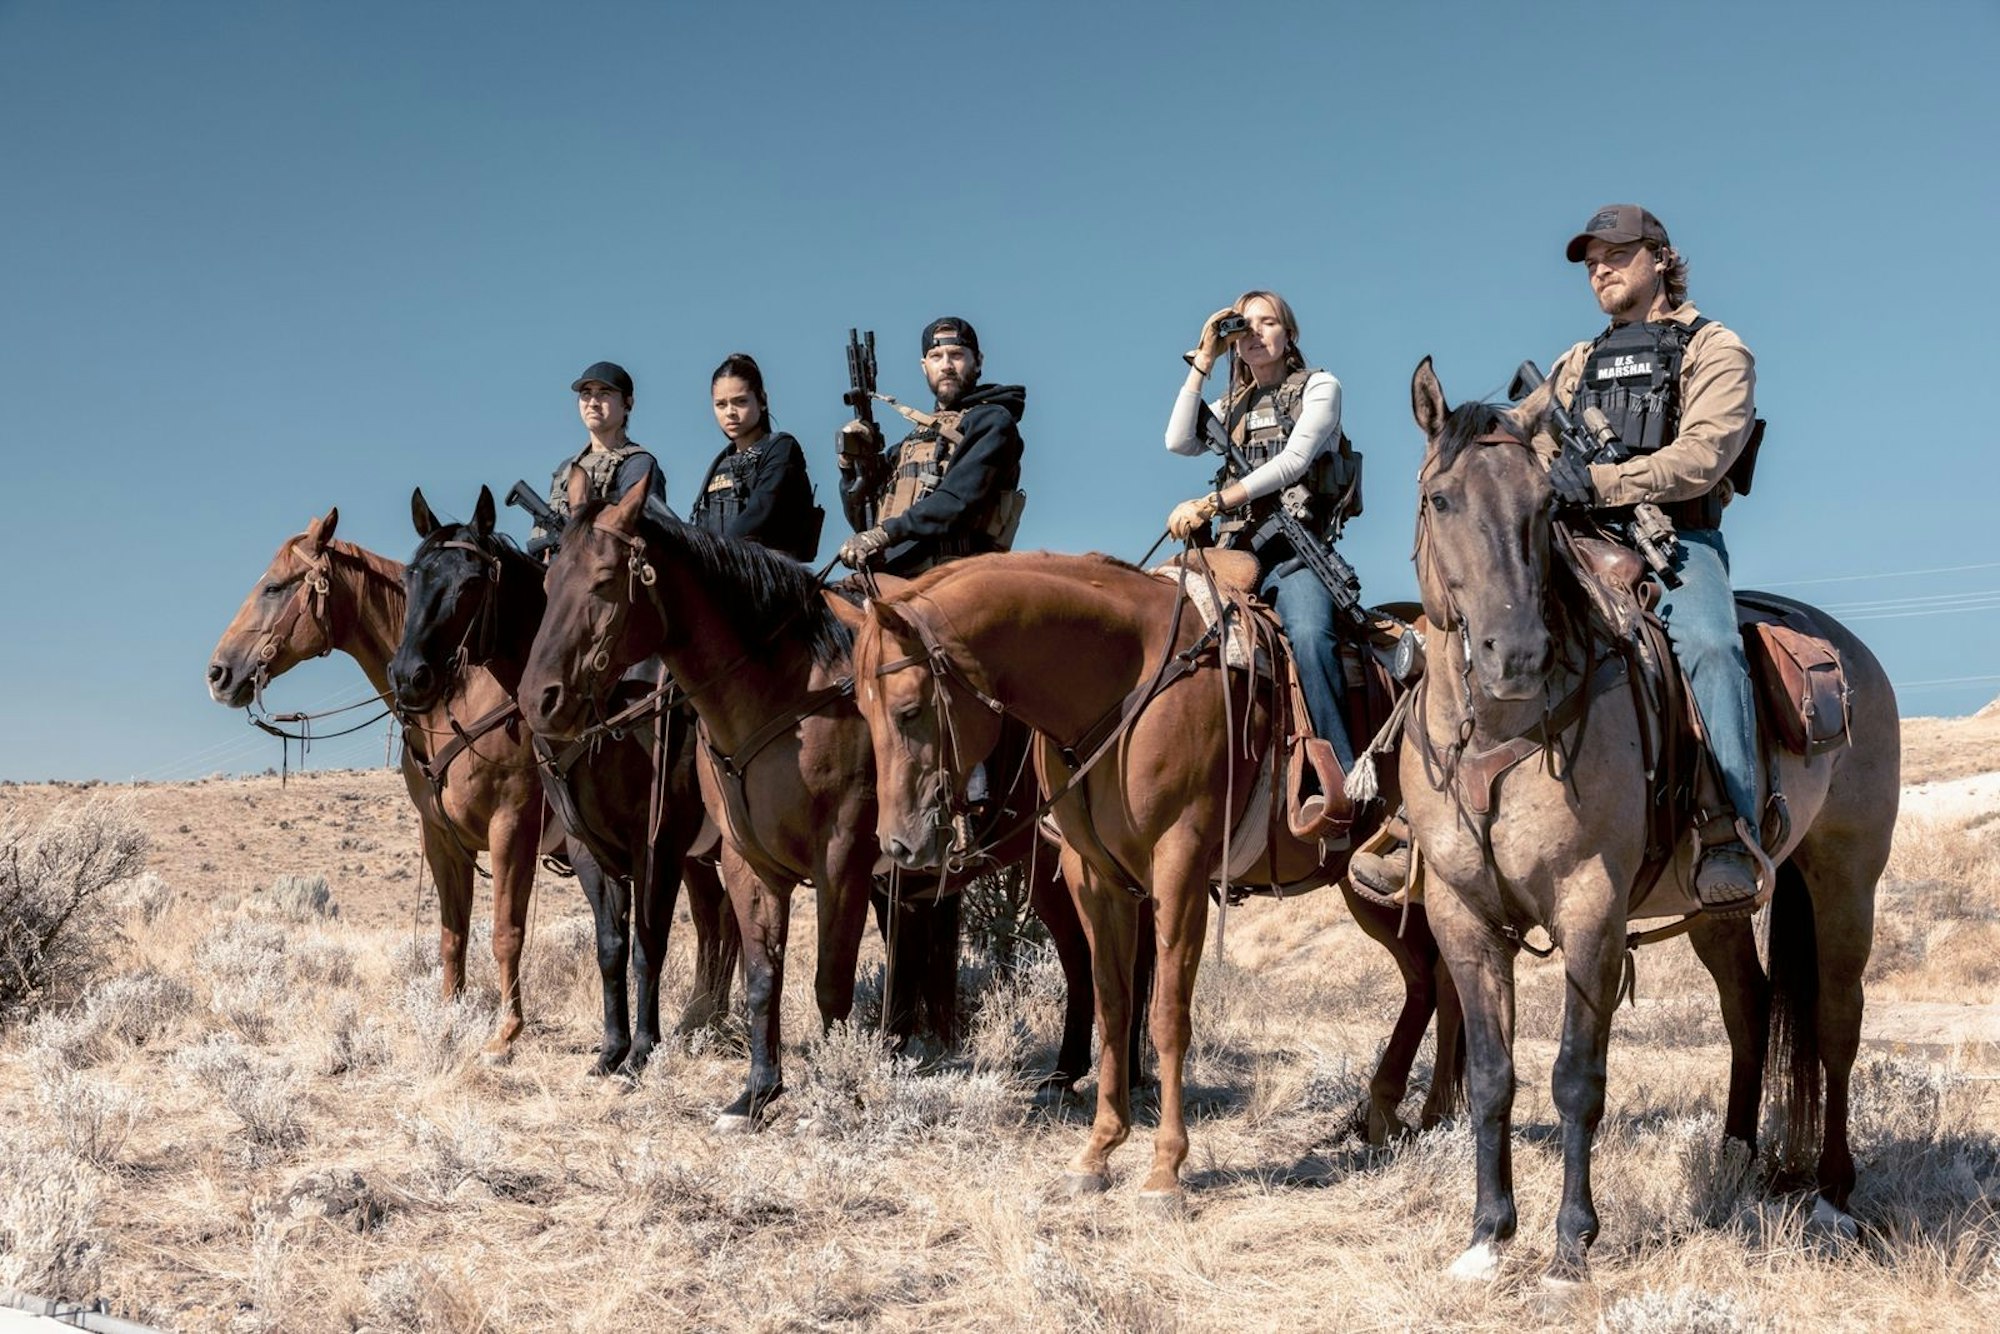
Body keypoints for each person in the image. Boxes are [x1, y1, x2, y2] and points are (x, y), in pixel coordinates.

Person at [1355, 205, 1764, 914]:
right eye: (1591, 259)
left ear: (1661, 258)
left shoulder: (1715, 347)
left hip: (1673, 540)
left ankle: (1728, 823)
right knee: (1469, 616)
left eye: (1619, 253)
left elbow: (1703, 456)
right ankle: (1414, 818)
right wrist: (1532, 469)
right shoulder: (1576, 362)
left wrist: (1602, 481)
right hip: (1572, 537)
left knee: (1708, 645)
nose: (1601, 268)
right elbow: (1525, 451)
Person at [1162, 290, 1359, 771]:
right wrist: (1204, 358)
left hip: (1294, 556)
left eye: (1266, 323)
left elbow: (1293, 462)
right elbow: (1177, 440)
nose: (1254, 335)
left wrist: (1212, 502)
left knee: (1311, 636)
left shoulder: (1319, 386)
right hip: (1230, 557)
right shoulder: (1229, 404)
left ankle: (1345, 775)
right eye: (1243, 328)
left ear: (1288, 334)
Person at [834, 316, 1026, 576]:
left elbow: (958, 500)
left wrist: (884, 534)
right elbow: (865, 523)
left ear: (978, 361)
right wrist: (851, 465)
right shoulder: (909, 445)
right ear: (925, 367)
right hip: (893, 575)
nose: (946, 366)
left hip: (956, 577)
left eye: (956, 355)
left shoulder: (991, 422)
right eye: (936, 357)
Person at [688, 353, 822, 561]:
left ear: (762, 400)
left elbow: (759, 512)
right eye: (721, 404)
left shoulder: (780, 448)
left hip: (772, 576)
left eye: (740, 402)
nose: (730, 412)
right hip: (719, 574)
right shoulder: (720, 463)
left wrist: (714, 554)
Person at [530, 360, 670, 559]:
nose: (593, 402)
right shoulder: (567, 468)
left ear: (627, 403)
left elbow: (643, 537)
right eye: (586, 394)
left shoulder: (637, 464)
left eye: (604, 393)